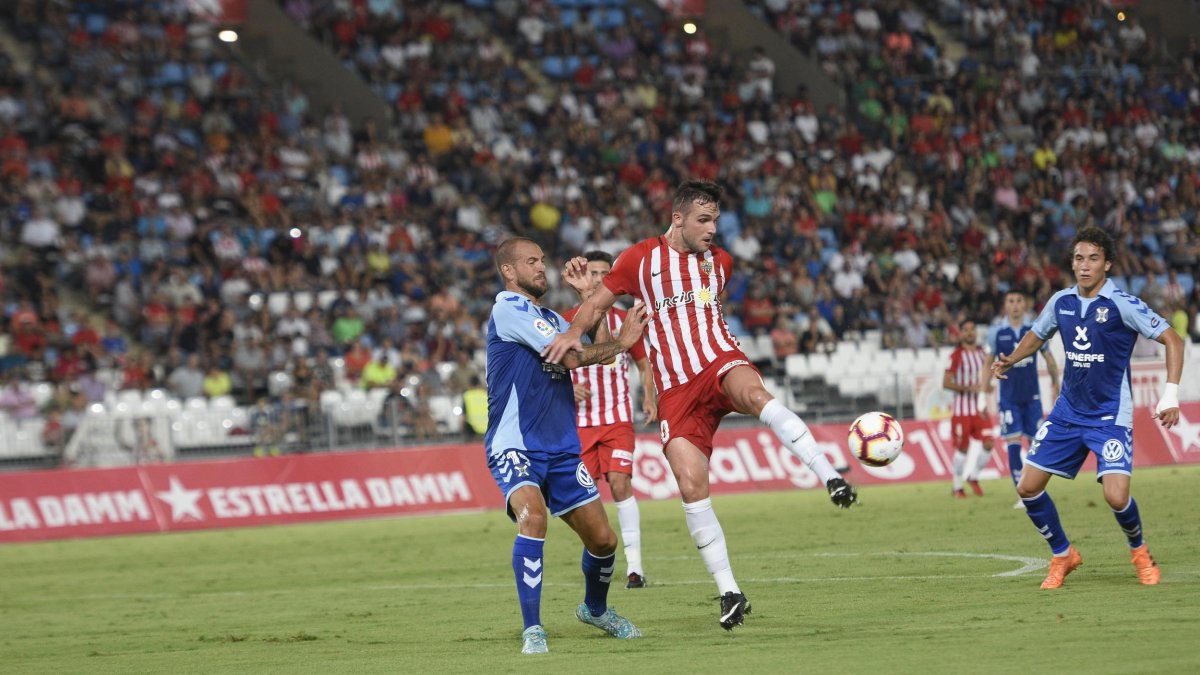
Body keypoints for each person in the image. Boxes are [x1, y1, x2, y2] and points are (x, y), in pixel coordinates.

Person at [543, 180, 857, 631]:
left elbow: (704, 313)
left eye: (715, 220)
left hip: (717, 361)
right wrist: (573, 335)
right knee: (691, 487)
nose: (713, 229)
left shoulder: (720, 262)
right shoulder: (638, 260)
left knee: (754, 395)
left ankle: (830, 475)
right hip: (675, 392)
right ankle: (730, 590)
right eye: (703, 220)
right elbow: (596, 305)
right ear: (678, 218)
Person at [992, 227, 1183, 589]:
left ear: (1107, 264)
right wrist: (1011, 359)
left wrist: (1170, 394)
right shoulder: (1061, 301)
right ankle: (1063, 553)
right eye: (1079, 258)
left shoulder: (1122, 304)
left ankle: (1140, 552)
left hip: (1109, 416)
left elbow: (1172, 338)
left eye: (1093, 258)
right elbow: (1037, 334)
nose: (1084, 265)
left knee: (1115, 495)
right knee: (1027, 487)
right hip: (1067, 412)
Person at [486, 237, 648, 655]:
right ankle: (533, 629)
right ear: (508, 271)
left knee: (604, 541)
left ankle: (595, 610)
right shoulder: (510, 307)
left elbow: (595, 347)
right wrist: (624, 343)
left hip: (560, 447)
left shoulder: (549, 317)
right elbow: (575, 359)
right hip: (516, 445)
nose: (542, 267)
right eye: (531, 261)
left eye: (543, 259)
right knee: (533, 518)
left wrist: (589, 297)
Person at [563, 250, 658, 590]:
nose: (600, 279)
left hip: (617, 419)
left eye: (606, 273)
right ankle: (598, 560)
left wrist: (649, 395)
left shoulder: (625, 319)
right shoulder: (568, 320)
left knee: (620, 483)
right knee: (582, 499)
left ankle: (635, 567)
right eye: (594, 273)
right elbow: (555, 364)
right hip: (580, 424)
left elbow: (644, 363)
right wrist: (567, 390)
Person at [982, 291, 1061, 509]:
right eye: (1011, 301)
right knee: (1013, 444)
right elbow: (987, 363)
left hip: (1032, 397)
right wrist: (982, 395)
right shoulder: (996, 332)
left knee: (1037, 446)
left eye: (1019, 301)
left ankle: (1037, 488)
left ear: (1024, 305)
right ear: (1005, 306)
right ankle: (1023, 494)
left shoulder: (1034, 329)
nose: (1015, 305)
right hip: (1008, 398)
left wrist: (1056, 385)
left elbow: (1049, 359)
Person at [943, 318, 995, 498]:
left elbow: (987, 378)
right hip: (961, 411)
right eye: (965, 330)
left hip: (980, 408)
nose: (970, 333)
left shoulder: (983, 353)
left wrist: (987, 386)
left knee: (989, 443)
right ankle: (957, 486)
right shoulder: (956, 355)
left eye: (972, 329)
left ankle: (973, 476)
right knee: (962, 448)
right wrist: (968, 388)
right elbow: (946, 382)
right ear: (961, 333)